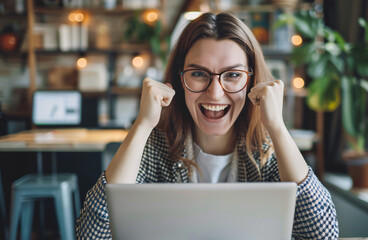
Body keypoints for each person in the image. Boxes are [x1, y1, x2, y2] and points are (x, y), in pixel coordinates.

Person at [76, 12, 339, 239]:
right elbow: (92, 235)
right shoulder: (155, 147)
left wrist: (278, 128)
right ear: (179, 80)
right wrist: (143, 124)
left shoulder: (267, 150)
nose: (215, 94)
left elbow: (323, 235)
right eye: (199, 74)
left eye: (233, 75)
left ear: (253, 80)